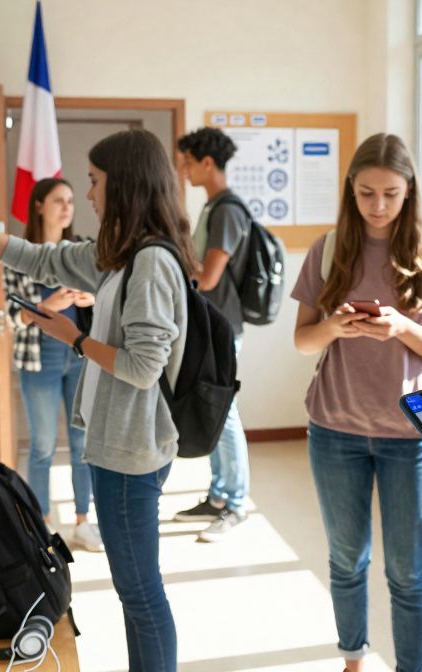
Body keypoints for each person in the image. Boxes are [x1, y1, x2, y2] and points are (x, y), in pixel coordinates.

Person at [0, 128, 194, 671]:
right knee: (136, 594)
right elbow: (37, 258)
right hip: (119, 446)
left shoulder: (149, 264)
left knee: (142, 594)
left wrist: (71, 337)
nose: (90, 195)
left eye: (96, 182)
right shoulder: (120, 257)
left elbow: (143, 368)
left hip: (131, 453)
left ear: (124, 186)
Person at [291, 133, 422, 672]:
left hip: (411, 435)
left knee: (408, 570)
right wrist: (336, 326)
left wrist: (402, 329)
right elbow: (302, 340)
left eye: (391, 194)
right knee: (347, 559)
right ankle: (353, 659)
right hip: (335, 429)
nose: (378, 206)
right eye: (366, 193)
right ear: (351, 190)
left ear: (409, 191)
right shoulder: (328, 249)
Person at [2, 177, 102, 553]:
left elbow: (104, 298)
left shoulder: (82, 251)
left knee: (82, 444)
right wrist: (48, 308)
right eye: (58, 200)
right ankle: (41, 525)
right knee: (42, 446)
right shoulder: (20, 254)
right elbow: (12, 315)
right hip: (37, 360)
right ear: (39, 205)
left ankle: (82, 522)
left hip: (78, 355)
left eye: (71, 201)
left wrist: (89, 298)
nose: (67, 207)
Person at [172, 127, 252, 542]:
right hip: (212, 327)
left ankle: (236, 503)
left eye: (186, 161)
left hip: (221, 330)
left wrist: (176, 266)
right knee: (216, 411)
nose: (182, 169)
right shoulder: (213, 207)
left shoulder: (226, 210)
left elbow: (208, 277)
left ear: (207, 162)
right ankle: (218, 495)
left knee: (226, 414)